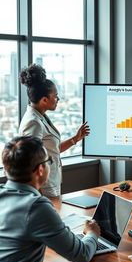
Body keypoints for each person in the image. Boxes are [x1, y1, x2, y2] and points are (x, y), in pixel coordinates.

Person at [0, 135, 101, 262]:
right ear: (40, 170)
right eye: (49, 161)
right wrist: (92, 234)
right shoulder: (36, 207)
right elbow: (82, 255)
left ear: (7, 168)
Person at [19, 63, 90, 197]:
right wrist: (38, 196)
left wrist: (75, 139)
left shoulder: (41, 117)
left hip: (50, 185)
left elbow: (50, 151)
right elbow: (29, 163)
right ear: (45, 100)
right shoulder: (33, 122)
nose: (58, 99)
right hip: (43, 190)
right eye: (55, 96)